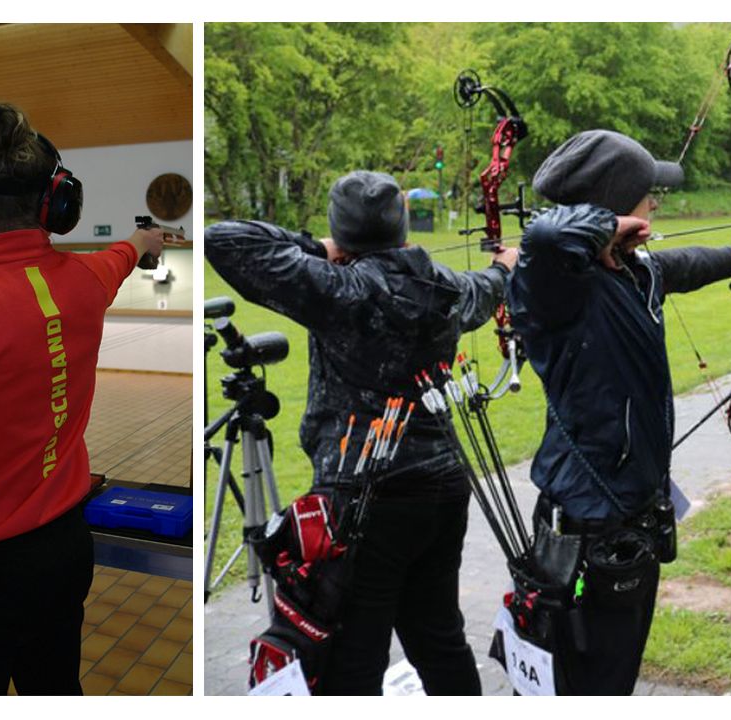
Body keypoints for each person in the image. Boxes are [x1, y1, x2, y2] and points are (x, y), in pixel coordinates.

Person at [206, 170, 517, 695]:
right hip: (442, 488)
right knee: (439, 638)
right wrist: (504, 266)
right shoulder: (445, 287)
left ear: (341, 234)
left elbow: (224, 239)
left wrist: (320, 247)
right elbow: (487, 290)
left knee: (354, 658)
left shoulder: (336, 287)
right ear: (402, 228)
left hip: (362, 506)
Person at [0, 103, 164, 696]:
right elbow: (119, 257)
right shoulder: (86, 281)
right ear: (57, 205)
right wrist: (142, 240)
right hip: (65, 550)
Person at [507, 129, 731, 694]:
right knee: (584, 683)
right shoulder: (557, 285)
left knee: (617, 674)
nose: (654, 204)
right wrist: (607, 225)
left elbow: (689, 262)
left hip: (633, 512)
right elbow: (546, 237)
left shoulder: (637, 271)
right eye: (646, 194)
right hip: (584, 518)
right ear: (611, 204)